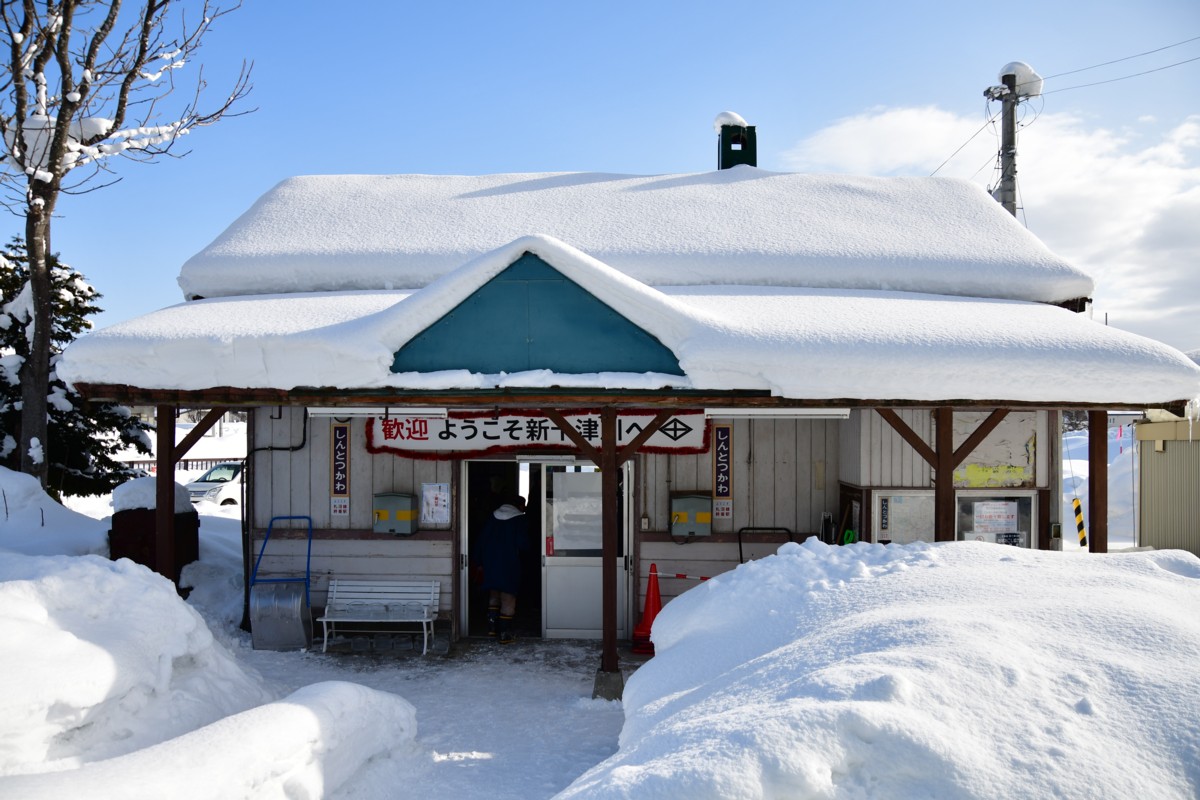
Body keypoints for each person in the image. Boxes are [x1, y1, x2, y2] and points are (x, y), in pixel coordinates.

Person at [479, 495, 529, 644]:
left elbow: (482, 540)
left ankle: (492, 629)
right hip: (509, 564)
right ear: (518, 506)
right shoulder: (519, 519)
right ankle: (504, 634)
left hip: (491, 563)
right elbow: (523, 544)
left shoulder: (493, 517)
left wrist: (479, 561)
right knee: (508, 599)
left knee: (494, 595)